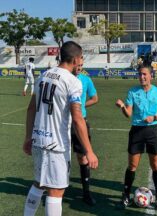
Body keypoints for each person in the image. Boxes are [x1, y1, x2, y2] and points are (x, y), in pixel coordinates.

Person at [22, 41, 98, 216]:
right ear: (76, 58)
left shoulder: (43, 76)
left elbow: (31, 108)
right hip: (56, 145)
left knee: (39, 183)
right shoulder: (73, 82)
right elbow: (78, 118)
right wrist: (89, 151)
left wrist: (28, 137)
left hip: (38, 139)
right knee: (56, 191)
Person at [115, 65, 157, 211]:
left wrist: (155, 117)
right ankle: (125, 196)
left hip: (152, 131)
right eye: (139, 74)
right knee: (132, 165)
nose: (142, 77)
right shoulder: (132, 91)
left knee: (156, 164)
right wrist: (122, 107)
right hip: (137, 131)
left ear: (151, 75)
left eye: (144, 74)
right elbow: (129, 114)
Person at [71, 59, 98, 205]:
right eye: (78, 65)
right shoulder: (66, 78)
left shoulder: (86, 80)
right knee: (61, 156)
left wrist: (81, 106)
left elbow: (95, 98)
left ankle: (86, 192)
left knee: (83, 158)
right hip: (63, 122)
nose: (79, 68)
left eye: (82, 66)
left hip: (80, 121)